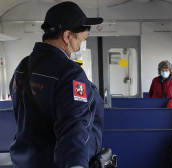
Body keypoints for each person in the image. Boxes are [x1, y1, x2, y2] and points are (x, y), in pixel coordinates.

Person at [9, 2, 104, 168]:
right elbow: (74, 127)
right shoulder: (70, 73)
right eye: (81, 40)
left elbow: (21, 117)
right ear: (67, 36)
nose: (80, 45)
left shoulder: (22, 67)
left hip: (24, 162)